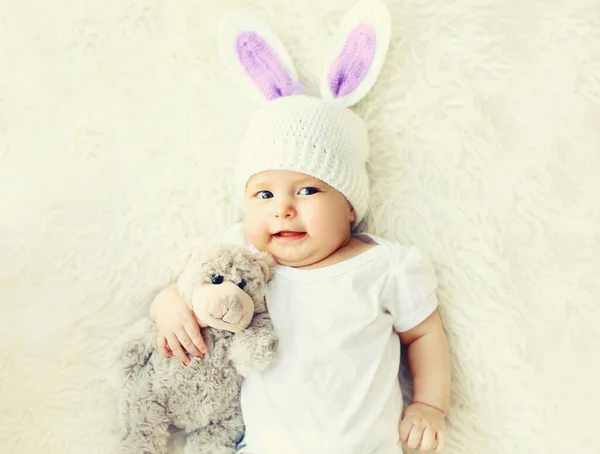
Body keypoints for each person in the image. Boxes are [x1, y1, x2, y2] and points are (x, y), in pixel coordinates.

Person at [149, 95, 451, 454]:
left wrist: (430, 406)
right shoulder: (243, 258)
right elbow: (190, 287)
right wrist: (167, 306)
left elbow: (425, 334)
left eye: (307, 190)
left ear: (350, 207)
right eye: (264, 194)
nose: (283, 209)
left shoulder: (384, 267)